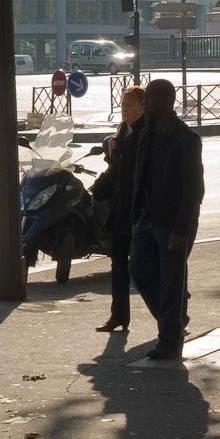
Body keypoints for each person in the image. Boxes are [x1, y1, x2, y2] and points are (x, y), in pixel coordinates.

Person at [128, 79, 205, 360]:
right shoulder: (146, 134)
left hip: (173, 223)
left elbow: (193, 189)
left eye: (149, 99)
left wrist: (181, 229)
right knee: (138, 269)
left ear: (165, 102)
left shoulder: (186, 139)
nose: (144, 103)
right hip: (147, 219)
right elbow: (140, 176)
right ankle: (173, 316)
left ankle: (170, 340)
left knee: (172, 279)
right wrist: (136, 215)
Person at [90, 86, 146, 332]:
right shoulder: (123, 132)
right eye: (123, 105)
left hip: (140, 209)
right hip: (120, 208)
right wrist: (112, 153)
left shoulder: (146, 133)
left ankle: (174, 313)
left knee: (145, 266)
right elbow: (117, 171)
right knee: (118, 263)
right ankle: (118, 315)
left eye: (130, 105)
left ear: (143, 107)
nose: (124, 109)